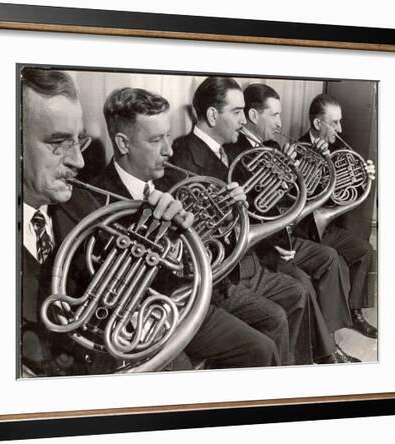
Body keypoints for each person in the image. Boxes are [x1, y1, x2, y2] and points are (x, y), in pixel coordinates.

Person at [20, 68, 278, 376]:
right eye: (59, 142)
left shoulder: (94, 199)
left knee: (262, 345)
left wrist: (185, 232)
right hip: (111, 345)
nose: (79, 161)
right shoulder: (93, 203)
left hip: (168, 307)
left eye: (81, 142)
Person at [158, 77, 317, 365]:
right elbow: (187, 232)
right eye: (237, 112)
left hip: (245, 260)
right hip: (217, 277)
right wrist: (226, 208)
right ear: (212, 115)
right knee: (277, 316)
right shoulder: (182, 156)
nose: (244, 120)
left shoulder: (229, 151)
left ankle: (292, 369)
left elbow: (257, 206)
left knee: (296, 293)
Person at [225, 82, 361, 363]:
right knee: (302, 285)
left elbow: (293, 197)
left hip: (284, 237)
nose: (280, 122)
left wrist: (305, 170)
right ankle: (318, 355)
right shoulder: (236, 150)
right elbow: (252, 207)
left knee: (329, 257)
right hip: (264, 246)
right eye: (274, 115)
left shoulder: (274, 145)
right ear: (253, 116)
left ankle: (331, 340)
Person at [297, 93, 378, 339]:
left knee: (365, 251)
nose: (340, 128)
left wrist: (365, 176)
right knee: (334, 260)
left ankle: (355, 313)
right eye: (334, 123)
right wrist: (313, 163)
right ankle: (327, 337)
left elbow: (345, 195)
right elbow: (296, 198)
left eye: (339, 122)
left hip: (327, 227)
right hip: (304, 230)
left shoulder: (340, 149)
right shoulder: (297, 149)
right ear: (317, 123)